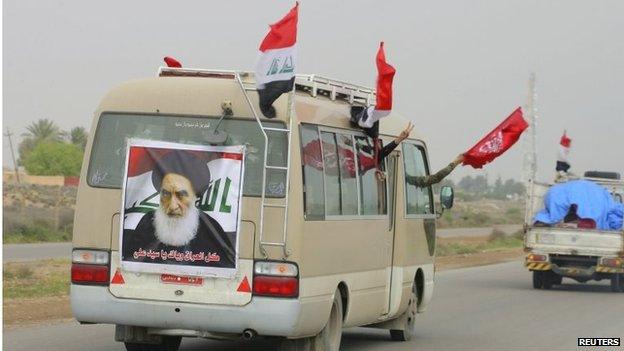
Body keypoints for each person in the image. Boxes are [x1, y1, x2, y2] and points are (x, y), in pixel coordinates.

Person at [122, 150, 236, 268]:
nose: (172, 206)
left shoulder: (212, 229)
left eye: (181, 195)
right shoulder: (147, 223)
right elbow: (132, 262)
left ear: (195, 196)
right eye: (166, 194)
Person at [374, 122, 464, 187]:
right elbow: (435, 178)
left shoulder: (398, 176)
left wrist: (400, 139)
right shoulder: (404, 178)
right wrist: (455, 162)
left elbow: (381, 154)